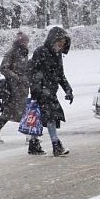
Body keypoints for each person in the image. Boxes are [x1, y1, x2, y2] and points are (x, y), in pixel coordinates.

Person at [26, 26, 73, 157]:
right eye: (59, 42)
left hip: (50, 91)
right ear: (52, 40)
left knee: (40, 118)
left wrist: (68, 90)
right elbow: (31, 72)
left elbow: (60, 75)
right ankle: (56, 145)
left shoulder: (57, 55)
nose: (61, 45)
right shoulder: (40, 52)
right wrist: (37, 88)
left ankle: (34, 143)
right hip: (40, 92)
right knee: (50, 117)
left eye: (63, 43)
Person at [0, 32, 30, 143]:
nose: (27, 44)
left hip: (22, 86)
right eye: (25, 41)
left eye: (27, 41)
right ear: (20, 42)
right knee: (22, 109)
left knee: (10, 110)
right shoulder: (12, 53)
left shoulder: (23, 53)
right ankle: (29, 135)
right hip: (14, 88)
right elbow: (3, 68)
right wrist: (16, 77)